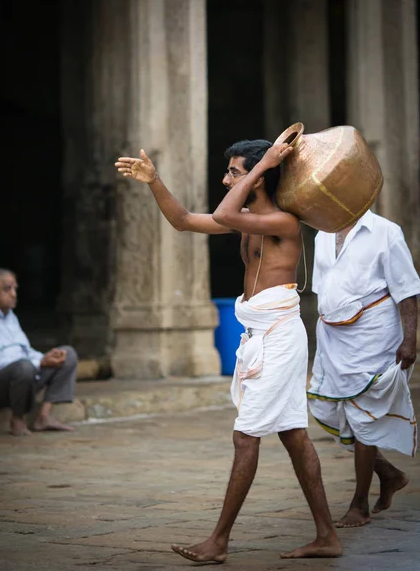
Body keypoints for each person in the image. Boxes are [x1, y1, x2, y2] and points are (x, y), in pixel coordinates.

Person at [115, 142, 342, 562]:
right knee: (293, 435)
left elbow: (222, 213)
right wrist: (155, 181)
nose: (226, 179)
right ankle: (327, 535)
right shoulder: (250, 221)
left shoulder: (282, 222)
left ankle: (218, 542)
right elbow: (183, 221)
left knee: (245, 437)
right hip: (263, 333)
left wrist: (265, 168)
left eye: (234, 173)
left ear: (260, 177)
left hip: (278, 336)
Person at [308, 210, 420, 528]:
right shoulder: (322, 232)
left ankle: (359, 504)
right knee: (326, 407)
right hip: (333, 338)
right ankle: (388, 473)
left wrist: (410, 340)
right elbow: (325, 290)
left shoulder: (386, 231)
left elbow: (407, 290)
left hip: (375, 336)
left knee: (364, 418)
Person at [0, 268, 78, 436]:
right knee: (24, 368)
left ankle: (43, 417)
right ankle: (17, 420)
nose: (14, 294)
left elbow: (25, 350)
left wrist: (45, 358)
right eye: (7, 289)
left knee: (68, 354)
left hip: (22, 377)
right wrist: (40, 363)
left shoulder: (9, 316)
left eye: (15, 289)